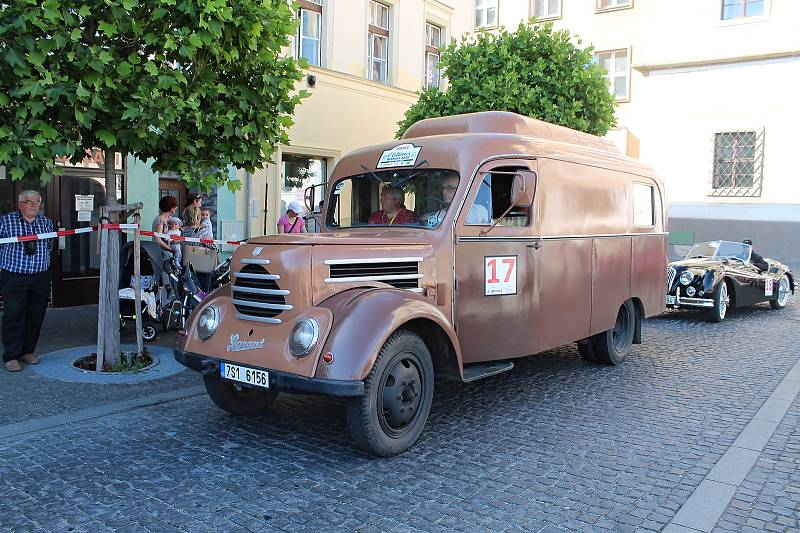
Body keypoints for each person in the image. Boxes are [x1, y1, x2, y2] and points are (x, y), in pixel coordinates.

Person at [0, 190, 54, 372]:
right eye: (29, 202)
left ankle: (27, 351)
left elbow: (49, 246)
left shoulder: (46, 223)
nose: (33, 206)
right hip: (14, 276)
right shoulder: (6, 221)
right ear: (20, 204)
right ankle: (11, 356)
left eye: (37, 202)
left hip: (40, 276)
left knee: (36, 315)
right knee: (13, 315)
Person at [425, 175, 489, 227]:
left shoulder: (479, 210)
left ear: (462, 189)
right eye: (443, 188)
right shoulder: (439, 215)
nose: (444, 192)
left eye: (450, 188)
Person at [181, 206, 216, 292]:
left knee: (188, 292)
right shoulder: (202, 231)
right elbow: (213, 247)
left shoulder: (183, 231)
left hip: (187, 267)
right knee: (202, 295)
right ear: (197, 217)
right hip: (202, 267)